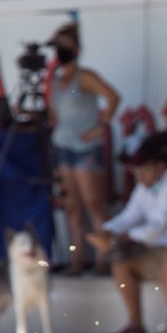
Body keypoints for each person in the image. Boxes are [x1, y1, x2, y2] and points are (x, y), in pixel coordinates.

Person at [89, 140, 167, 333]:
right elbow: (129, 216)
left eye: (144, 170)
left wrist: (121, 237)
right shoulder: (144, 187)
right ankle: (135, 325)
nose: (140, 176)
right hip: (151, 252)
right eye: (137, 172)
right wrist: (106, 230)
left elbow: (159, 225)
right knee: (121, 265)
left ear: (160, 166)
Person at [44, 23, 121, 274]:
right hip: (63, 145)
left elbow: (113, 97)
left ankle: (103, 259)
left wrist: (100, 126)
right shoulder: (56, 81)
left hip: (85, 147)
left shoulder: (85, 76)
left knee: (94, 204)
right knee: (72, 208)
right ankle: (76, 260)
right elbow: (54, 113)